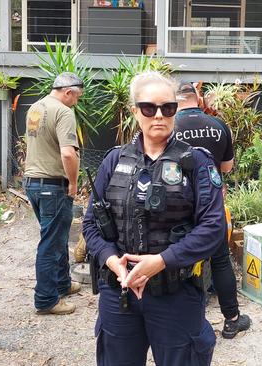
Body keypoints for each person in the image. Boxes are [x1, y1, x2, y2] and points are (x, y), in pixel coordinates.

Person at [82, 71, 225, 365]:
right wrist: (112, 262)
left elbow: (213, 228)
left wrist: (160, 262)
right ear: (135, 111)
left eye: (168, 108)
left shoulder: (196, 161)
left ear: (176, 110)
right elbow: (91, 224)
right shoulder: (114, 160)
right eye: (149, 108)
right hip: (119, 292)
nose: (158, 115)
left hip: (175, 294)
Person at [174, 81, 251, 339]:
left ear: (175, 100)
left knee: (179, 258)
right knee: (220, 260)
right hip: (211, 204)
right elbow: (227, 168)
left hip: (177, 205)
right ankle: (232, 320)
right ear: (197, 97)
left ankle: (186, 322)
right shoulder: (218, 126)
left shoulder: (168, 126)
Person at [24, 72, 83, 315]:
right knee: (51, 243)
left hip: (33, 184)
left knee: (56, 237)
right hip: (53, 185)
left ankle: (62, 283)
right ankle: (47, 299)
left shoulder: (35, 108)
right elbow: (68, 153)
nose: (77, 102)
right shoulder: (63, 112)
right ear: (68, 92)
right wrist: (73, 183)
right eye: (77, 97)